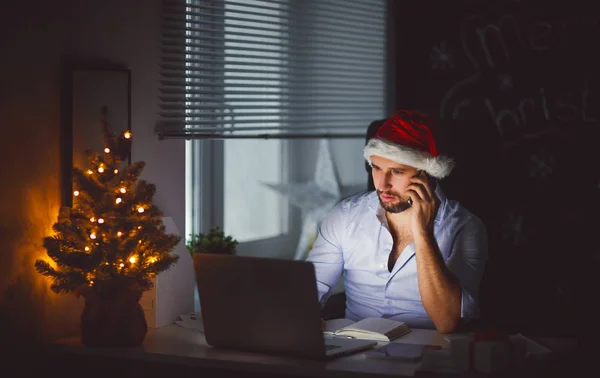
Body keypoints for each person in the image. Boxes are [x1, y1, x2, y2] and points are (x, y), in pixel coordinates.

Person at [306, 109, 488, 334]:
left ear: (426, 174)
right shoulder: (345, 216)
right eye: (376, 168)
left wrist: (423, 232)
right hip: (354, 351)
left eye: (397, 171)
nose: (382, 184)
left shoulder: (465, 227)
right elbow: (306, 293)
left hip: (429, 354)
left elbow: (449, 322)